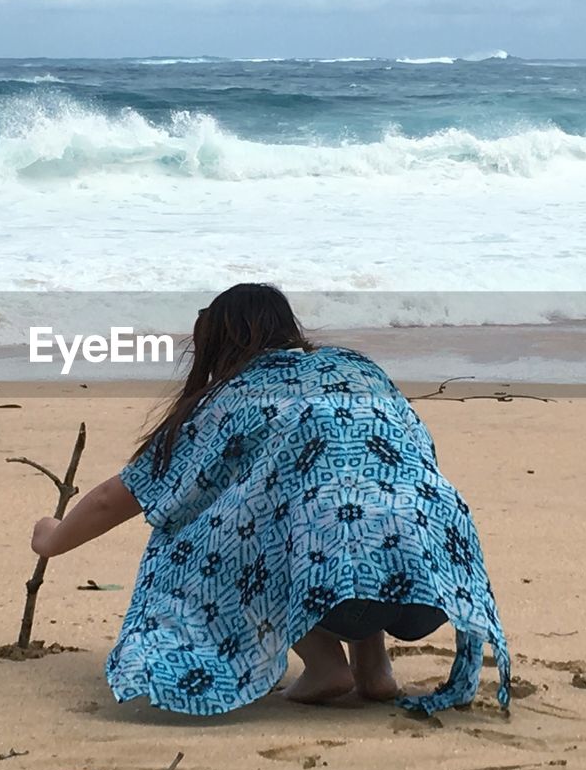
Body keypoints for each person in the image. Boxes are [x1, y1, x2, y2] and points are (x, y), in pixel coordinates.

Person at [30, 283, 510, 716]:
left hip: (344, 587)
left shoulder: (232, 397)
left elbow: (119, 496)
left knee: (237, 519)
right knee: (347, 497)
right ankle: (373, 668)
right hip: (433, 582)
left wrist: (53, 539)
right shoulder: (357, 368)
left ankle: (325, 664)